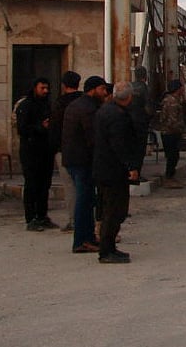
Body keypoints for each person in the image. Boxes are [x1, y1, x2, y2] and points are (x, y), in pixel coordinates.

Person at [93, 81, 142, 263]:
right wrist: (131, 166)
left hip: (103, 168)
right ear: (129, 97)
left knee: (110, 209)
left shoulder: (104, 111)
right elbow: (119, 145)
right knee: (115, 211)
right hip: (113, 170)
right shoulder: (118, 116)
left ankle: (109, 247)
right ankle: (106, 251)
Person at [61, 75, 108, 254]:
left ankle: (87, 237)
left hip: (74, 159)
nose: (105, 93)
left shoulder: (78, 105)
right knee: (84, 201)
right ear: (94, 89)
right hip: (82, 161)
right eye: (102, 89)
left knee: (86, 200)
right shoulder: (88, 108)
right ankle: (82, 240)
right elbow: (93, 137)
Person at [14, 77, 56, 231]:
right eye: (42, 88)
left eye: (47, 88)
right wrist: (41, 127)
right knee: (32, 184)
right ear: (35, 88)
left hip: (45, 150)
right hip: (30, 151)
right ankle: (31, 218)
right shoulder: (25, 106)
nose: (45, 91)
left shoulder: (46, 105)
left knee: (45, 185)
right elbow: (22, 129)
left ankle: (42, 216)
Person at [48, 70, 83, 232]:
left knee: (70, 186)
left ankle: (74, 220)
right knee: (85, 185)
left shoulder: (59, 104)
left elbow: (55, 129)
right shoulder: (85, 101)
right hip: (84, 150)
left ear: (63, 85)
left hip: (64, 150)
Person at [158, 79, 186, 189]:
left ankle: (170, 177)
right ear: (177, 89)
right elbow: (172, 120)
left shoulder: (172, 100)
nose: (183, 89)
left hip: (170, 132)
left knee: (173, 156)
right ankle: (169, 178)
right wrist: (180, 129)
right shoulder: (172, 102)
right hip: (170, 133)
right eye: (181, 87)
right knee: (172, 156)